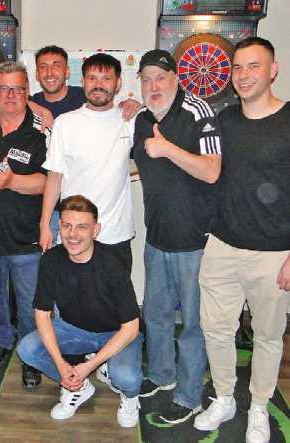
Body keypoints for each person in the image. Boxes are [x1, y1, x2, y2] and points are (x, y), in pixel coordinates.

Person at [194, 37, 289, 443]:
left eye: (254, 66)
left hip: (275, 252)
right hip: (222, 245)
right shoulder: (225, 120)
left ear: (273, 70)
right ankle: (225, 398)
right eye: (238, 67)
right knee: (215, 329)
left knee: (267, 336)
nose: (244, 75)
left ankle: (259, 407)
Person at [131, 49, 221, 424]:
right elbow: (135, 164)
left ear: (176, 79)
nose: (154, 86)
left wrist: (168, 149)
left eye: (160, 78)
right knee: (156, 314)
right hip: (157, 238)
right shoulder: (141, 119)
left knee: (193, 325)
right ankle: (162, 376)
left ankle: (189, 396)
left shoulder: (199, 112)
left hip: (195, 242)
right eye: (146, 79)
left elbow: (212, 170)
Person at [18, 195, 142, 427]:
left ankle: (130, 397)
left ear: (96, 230)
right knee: (27, 349)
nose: (72, 234)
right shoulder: (51, 260)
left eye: (82, 227)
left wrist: (88, 367)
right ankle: (78, 387)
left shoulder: (113, 263)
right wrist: (61, 365)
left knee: (126, 378)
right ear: (60, 226)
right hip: (73, 329)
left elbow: (131, 327)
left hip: (116, 332)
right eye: (67, 226)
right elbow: (42, 314)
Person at [0, 61, 48, 389]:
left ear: (27, 92)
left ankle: (30, 355)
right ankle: (2, 341)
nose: (10, 95)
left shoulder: (39, 133)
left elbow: (48, 182)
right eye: (3, 88)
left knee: (30, 304)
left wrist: (13, 181)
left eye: (17, 88)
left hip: (25, 237)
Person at [40, 52, 134, 271]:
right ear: (83, 82)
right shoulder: (65, 123)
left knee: (115, 294)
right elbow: (54, 178)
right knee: (70, 293)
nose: (98, 85)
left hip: (115, 236)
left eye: (106, 78)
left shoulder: (129, 121)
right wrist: (45, 225)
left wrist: (137, 104)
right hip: (73, 238)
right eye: (92, 78)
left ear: (118, 83)